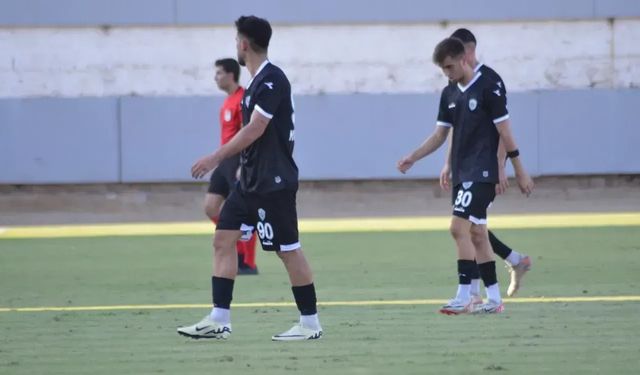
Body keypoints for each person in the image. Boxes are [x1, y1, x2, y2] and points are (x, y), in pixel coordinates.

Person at [178, 15, 322, 340]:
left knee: (288, 250)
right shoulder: (254, 84)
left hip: (273, 184)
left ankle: (310, 323)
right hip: (250, 183)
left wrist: (215, 157)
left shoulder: (272, 80)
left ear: (243, 44)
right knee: (222, 239)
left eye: (235, 41)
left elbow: (256, 129)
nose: (236, 46)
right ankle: (219, 319)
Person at [397, 37, 534, 314]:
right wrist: (413, 156)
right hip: (462, 171)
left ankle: (465, 295)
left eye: (449, 67)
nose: (447, 73)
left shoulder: (487, 87)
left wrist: (517, 169)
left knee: (457, 228)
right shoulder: (449, 93)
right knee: (477, 233)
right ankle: (493, 300)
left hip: (482, 172)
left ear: (464, 59)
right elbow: (440, 135)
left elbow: (505, 131)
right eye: (443, 70)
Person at [439, 28, 532, 298]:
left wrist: (501, 165)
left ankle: (474, 292)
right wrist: (448, 163)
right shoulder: (455, 82)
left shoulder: (490, 81)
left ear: (467, 51)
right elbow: (456, 127)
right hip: (464, 166)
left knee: (467, 226)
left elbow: (503, 128)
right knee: (474, 227)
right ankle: (513, 264)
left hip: (485, 167)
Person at [204, 57, 258, 275]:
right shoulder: (227, 101)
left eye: (218, 73)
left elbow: (248, 133)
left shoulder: (243, 99)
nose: (215, 77)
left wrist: (243, 164)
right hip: (224, 161)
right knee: (210, 208)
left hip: (237, 161)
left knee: (244, 212)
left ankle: (249, 263)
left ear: (230, 74)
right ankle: (235, 245)